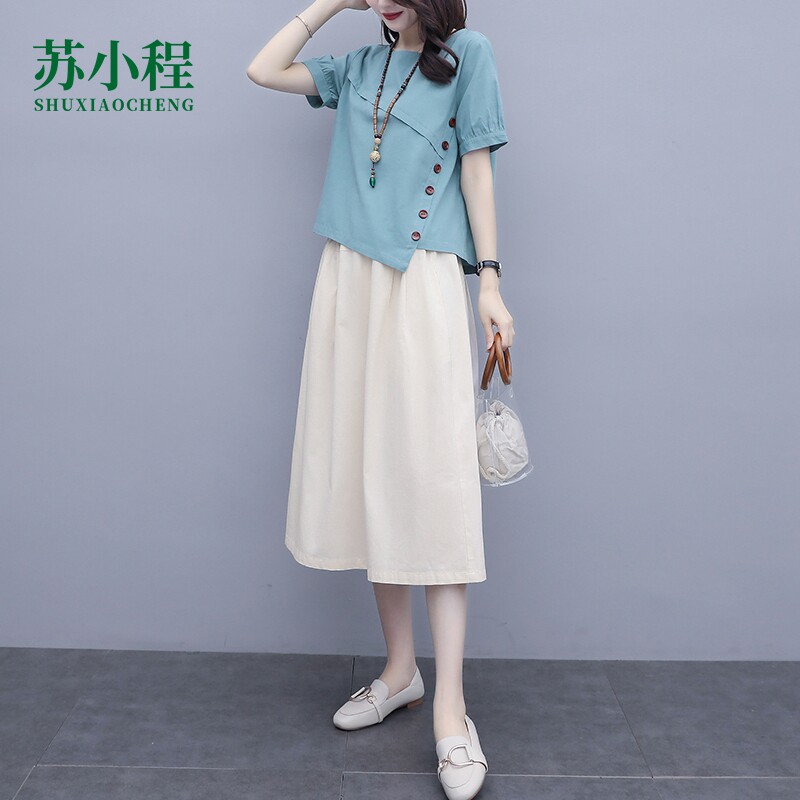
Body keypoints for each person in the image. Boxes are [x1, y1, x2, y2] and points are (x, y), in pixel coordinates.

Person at [247, 2, 514, 797]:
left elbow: (476, 169)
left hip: (423, 277)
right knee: (372, 475)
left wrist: (490, 282)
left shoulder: (470, 55)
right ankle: (401, 672)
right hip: (348, 279)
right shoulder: (357, 67)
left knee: (430, 482)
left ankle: (452, 713)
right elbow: (262, 69)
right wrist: (329, 3)